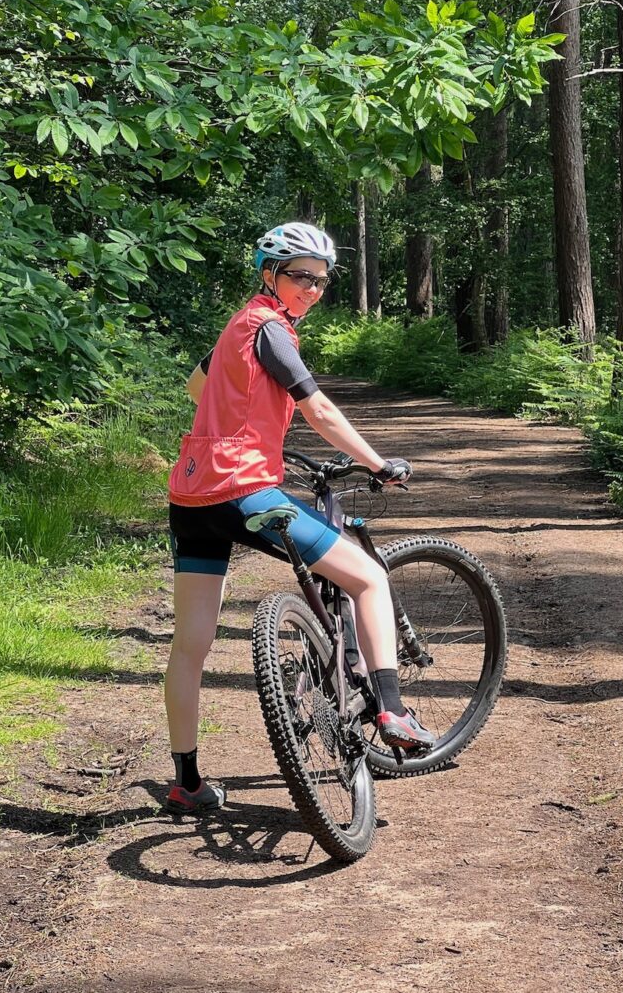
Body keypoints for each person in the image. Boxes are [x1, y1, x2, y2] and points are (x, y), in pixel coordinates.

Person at [163, 222, 435, 814]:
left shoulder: (238, 326)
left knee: (191, 644)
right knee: (367, 577)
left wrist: (251, 433)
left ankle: (186, 783)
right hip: (244, 496)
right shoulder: (271, 330)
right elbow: (320, 408)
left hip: (191, 497)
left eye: (321, 280)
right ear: (269, 274)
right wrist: (377, 463)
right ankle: (392, 708)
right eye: (300, 277)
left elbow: (197, 388)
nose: (312, 290)